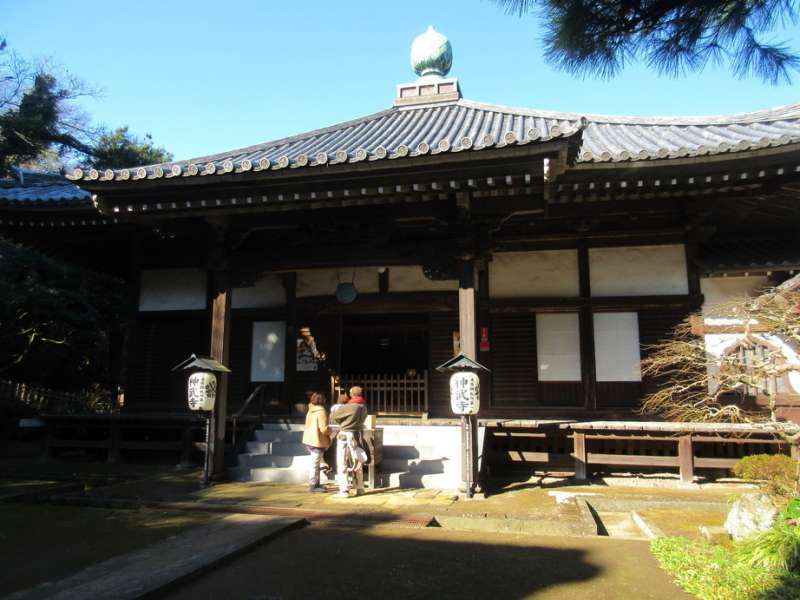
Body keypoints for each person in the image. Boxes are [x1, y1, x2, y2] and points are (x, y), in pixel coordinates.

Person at [329, 399, 367, 498]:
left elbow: (333, 416)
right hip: (356, 435)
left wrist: (342, 421)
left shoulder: (350, 407)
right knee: (357, 460)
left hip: (345, 435)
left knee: (342, 462)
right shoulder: (363, 408)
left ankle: (344, 490)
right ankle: (360, 487)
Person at [302, 391, 331, 493]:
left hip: (309, 439)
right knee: (315, 463)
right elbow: (324, 429)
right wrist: (330, 431)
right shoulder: (321, 411)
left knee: (316, 463)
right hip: (317, 440)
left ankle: (316, 483)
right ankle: (313, 485)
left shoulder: (310, 409)